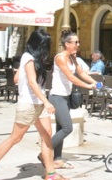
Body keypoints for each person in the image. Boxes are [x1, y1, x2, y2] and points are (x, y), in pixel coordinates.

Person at [0, 29, 63, 180]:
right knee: (15, 138)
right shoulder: (28, 58)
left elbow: (16, 78)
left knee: (46, 136)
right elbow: (31, 82)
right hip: (29, 104)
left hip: (38, 103)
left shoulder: (30, 58)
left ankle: (50, 174)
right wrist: (46, 101)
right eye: (46, 45)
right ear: (39, 45)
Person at [48, 31, 99, 169]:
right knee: (67, 128)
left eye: (78, 42)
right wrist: (88, 86)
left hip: (65, 97)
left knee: (60, 128)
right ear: (67, 44)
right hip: (57, 97)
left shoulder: (72, 58)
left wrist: (94, 83)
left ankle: (57, 159)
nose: (78, 44)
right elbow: (71, 77)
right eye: (75, 42)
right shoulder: (60, 58)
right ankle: (45, 152)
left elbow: (81, 73)